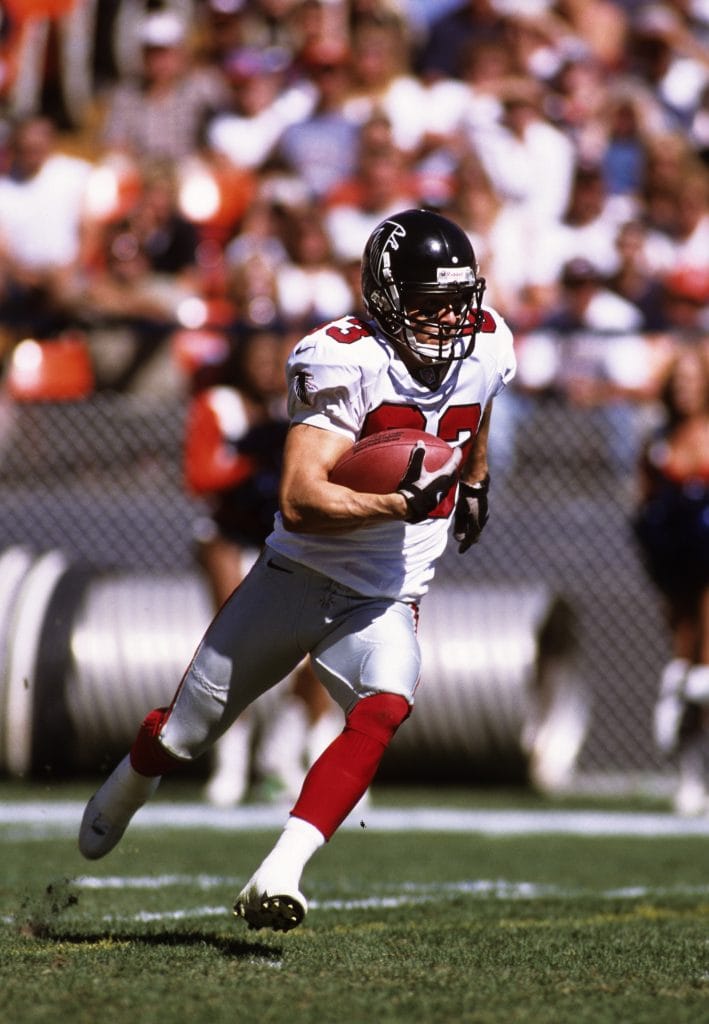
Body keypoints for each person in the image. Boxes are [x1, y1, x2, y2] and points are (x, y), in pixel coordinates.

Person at [78, 207, 516, 933]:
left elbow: (480, 402)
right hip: (296, 578)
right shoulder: (343, 357)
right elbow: (300, 498)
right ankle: (132, 779)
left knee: (385, 706)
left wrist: (474, 478)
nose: (448, 320)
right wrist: (397, 504)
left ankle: (282, 870)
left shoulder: (488, 341)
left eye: (456, 301)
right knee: (184, 734)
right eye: (428, 303)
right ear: (386, 298)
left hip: (385, 592)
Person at [633, 342, 709, 815]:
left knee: (702, 672)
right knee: (685, 660)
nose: (685, 387)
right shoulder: (657, 439)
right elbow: (645, 506)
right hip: (678, 564)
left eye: (693, 378)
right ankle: (691, 775)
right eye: (678, 380)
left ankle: (681, 694)